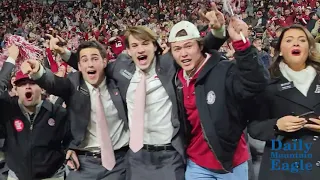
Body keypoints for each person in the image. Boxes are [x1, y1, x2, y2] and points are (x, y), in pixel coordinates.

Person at [47, 3, 227, 180]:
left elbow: (195, 52)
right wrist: (63, 53)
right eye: (134, 45)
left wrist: (218, 32)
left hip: (169, 156)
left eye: (145, 43)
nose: (140, 49)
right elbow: (93, 68)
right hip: (136, 157)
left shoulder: (168, 64)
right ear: (128, 51)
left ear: (155, 47)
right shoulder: (120, 68)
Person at [169, 14, 269, 179]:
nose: (183, 54)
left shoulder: (223, 69)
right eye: (177, 49)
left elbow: (256, 83)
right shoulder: (177, 77)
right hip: (196, 164)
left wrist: (242, 45)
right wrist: (217, 31)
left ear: (201, 46)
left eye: (188, 46)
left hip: (231, 164)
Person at [21, 40, 129, 180]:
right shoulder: (73, 83)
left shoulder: (118, 82)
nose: (90, 64)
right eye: (84, 60)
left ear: (104, 62)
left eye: (95, 59)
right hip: (82, 164)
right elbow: (54, 83)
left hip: (119, 163)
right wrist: (38, 72)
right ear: (79, 66)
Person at [248, 24, 320, 180]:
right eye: (289, 40)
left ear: (309, 48)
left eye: (302, 40)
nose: (296, 43)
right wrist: (276, 125)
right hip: (282, 166)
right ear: (280, 50)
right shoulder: (267, 83)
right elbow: (254, 126)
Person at [0, 45, 70, 180]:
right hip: (16, 176)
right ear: (16, 88)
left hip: (52, 177)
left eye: (32, 83)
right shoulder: (8, 109)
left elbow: (70, 141)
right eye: (22, 83)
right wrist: (11, 59)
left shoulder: (58, 113)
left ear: (42, 88)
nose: (27, 86)